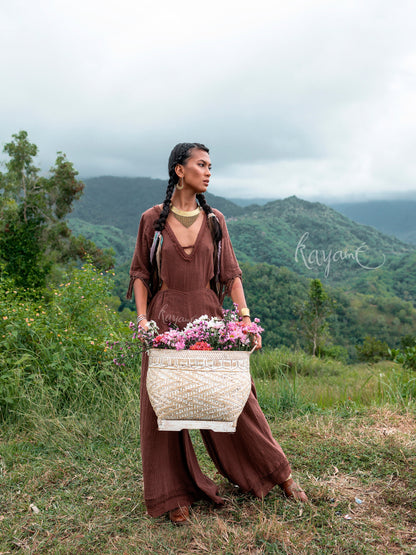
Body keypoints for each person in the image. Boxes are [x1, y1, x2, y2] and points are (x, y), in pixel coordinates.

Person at [127, 142, 307, 524]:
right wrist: (143, 320)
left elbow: (230, 275)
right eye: (201, 164)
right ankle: (173, 494)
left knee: (236, 398)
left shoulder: (215, 220)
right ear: (179, 169)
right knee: (164, 405)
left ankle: (277, 473)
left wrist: (243, 318)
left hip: (209, 319)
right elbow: (141, 274)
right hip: (165, 321)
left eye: (210, 165)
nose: (208, 172)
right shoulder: (151, 219)